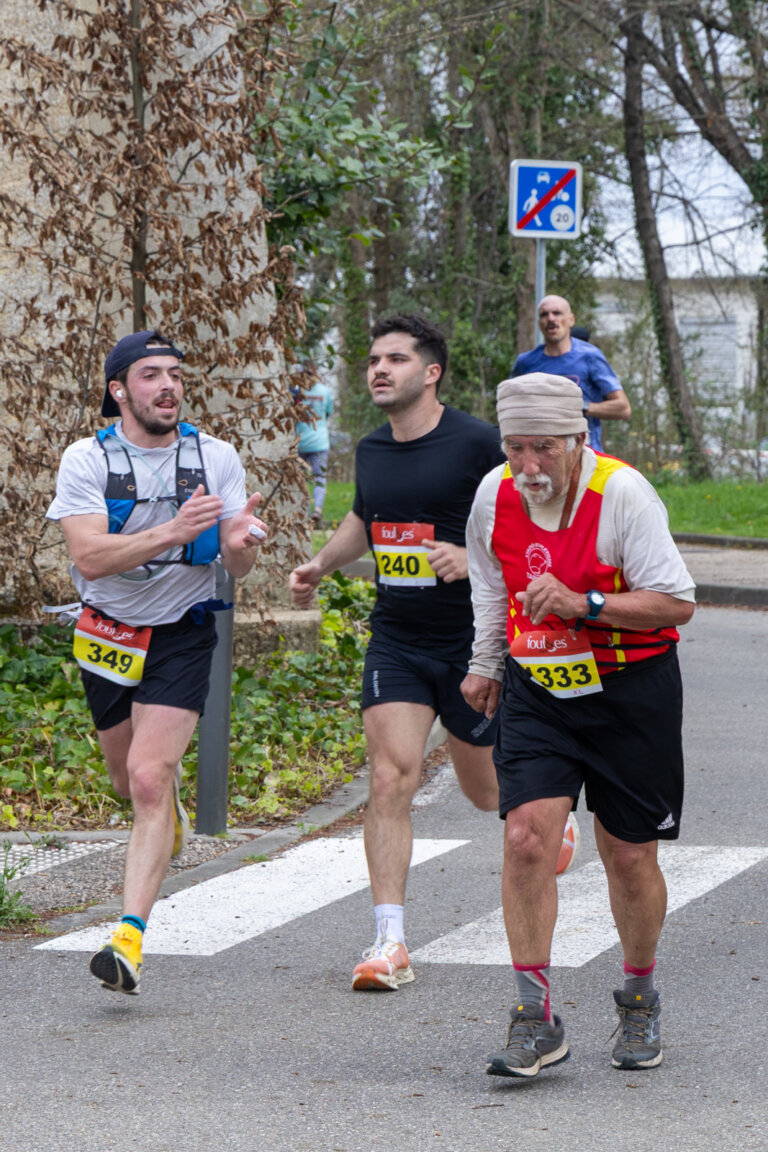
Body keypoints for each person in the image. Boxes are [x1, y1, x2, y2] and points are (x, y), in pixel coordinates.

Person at [461, 372, 695, 1077]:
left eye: (544, 451)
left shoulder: (621, 493)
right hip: (539, 688)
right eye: (516, 450)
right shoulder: (493, 493)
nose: (529, 468)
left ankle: (639, 995)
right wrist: (486, 663)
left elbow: (676, 604)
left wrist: (585, 601)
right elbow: (491, 584)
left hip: (631, 692)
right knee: (527, 837)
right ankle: (535, 1018)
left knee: (629, 857)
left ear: (578, 441)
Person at [46, 330, 268, 996]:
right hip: (107, 633)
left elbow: (236, 559)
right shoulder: (86, 460)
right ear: (119, 390)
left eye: (175, 374)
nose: (168, 385)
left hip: (182, 630)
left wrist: (240, 543)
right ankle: (161, 815)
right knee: (127, 781)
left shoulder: (214, 457)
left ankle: (128, 940)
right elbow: (89, 557)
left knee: (148, 777)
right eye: (150, 375)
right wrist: (175, 529)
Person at [289, 314, 505, 991]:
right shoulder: (376, 450)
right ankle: (391, 942)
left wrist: (472, 558)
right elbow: (366, 517)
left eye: (396, 359)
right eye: (374, 359)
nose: (379, 369)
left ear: (431, 371)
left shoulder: (478, 443)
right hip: (400, 638)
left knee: (485, 791)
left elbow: (528, 518)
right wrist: (321, 565)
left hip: (474, 638)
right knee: (390, 778)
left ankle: (544, 818)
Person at [512, 295, 631, 451]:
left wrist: (580, 406)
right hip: (542, 456)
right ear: (539, 323)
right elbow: (511, 409)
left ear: (571, 320)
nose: (551, 318)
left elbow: (623, 408)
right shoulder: (526, 362)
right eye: (544, 314)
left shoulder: (590, 356)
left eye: (557, 313)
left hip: (586, 454)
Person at [295, 368, 334, 525]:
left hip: (300, 443)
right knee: (320, 477)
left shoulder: (297, 392)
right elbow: (328, 413)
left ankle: (306, 512)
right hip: (320, 442)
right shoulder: (325, 392)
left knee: (300, 480)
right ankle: (317, 510)